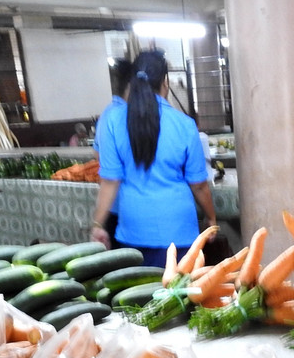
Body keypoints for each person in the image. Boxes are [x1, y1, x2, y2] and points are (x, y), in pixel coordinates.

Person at [89, 50, 216, 267]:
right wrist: (211, 218)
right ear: (165, 82)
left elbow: (110, 181)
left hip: (132, 231)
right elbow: (199, 185)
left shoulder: (113, 121)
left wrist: (98, 224)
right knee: (181, 288)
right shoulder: (184, 124)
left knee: (139, 289)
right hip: (179, 232)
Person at [93, 59, 134, 241]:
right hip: (125, 207)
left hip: (115, 205)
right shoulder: (128, 115)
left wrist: (97, 224)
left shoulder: (108, 114)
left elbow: (98, 155)